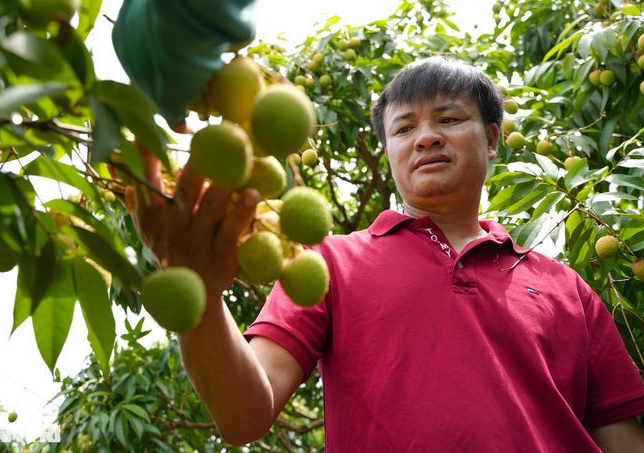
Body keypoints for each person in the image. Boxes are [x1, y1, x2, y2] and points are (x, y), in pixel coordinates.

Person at [124, 55, 644, 451]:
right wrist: (201, 291)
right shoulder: (327, 261)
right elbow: (242, 415)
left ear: (491, 140)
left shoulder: (566, 287)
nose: (426, 138)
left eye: (448, 119)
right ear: (389, 151)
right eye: (404, 128)